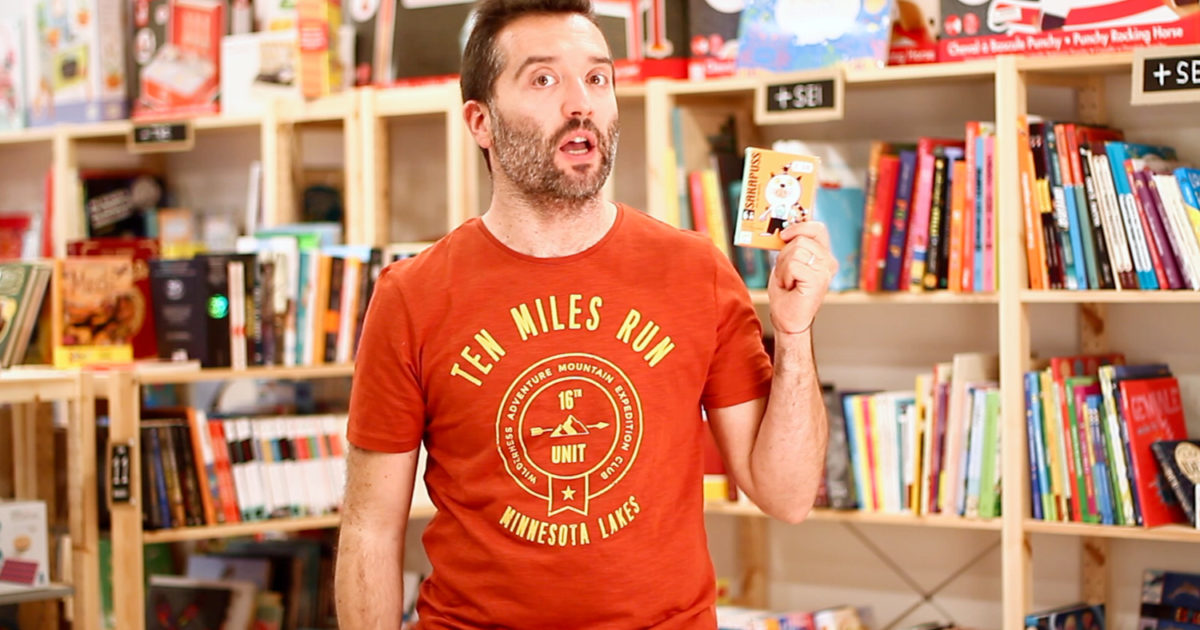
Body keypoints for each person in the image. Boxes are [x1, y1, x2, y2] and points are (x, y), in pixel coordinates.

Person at [334, 0, 836, 627]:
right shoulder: (411, 296)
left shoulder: (696, 271)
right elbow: (369, 529)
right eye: (544, 79)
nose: (581, 104)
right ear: (480, 122)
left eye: (597, 78)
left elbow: (787, 496)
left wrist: (794, 332)